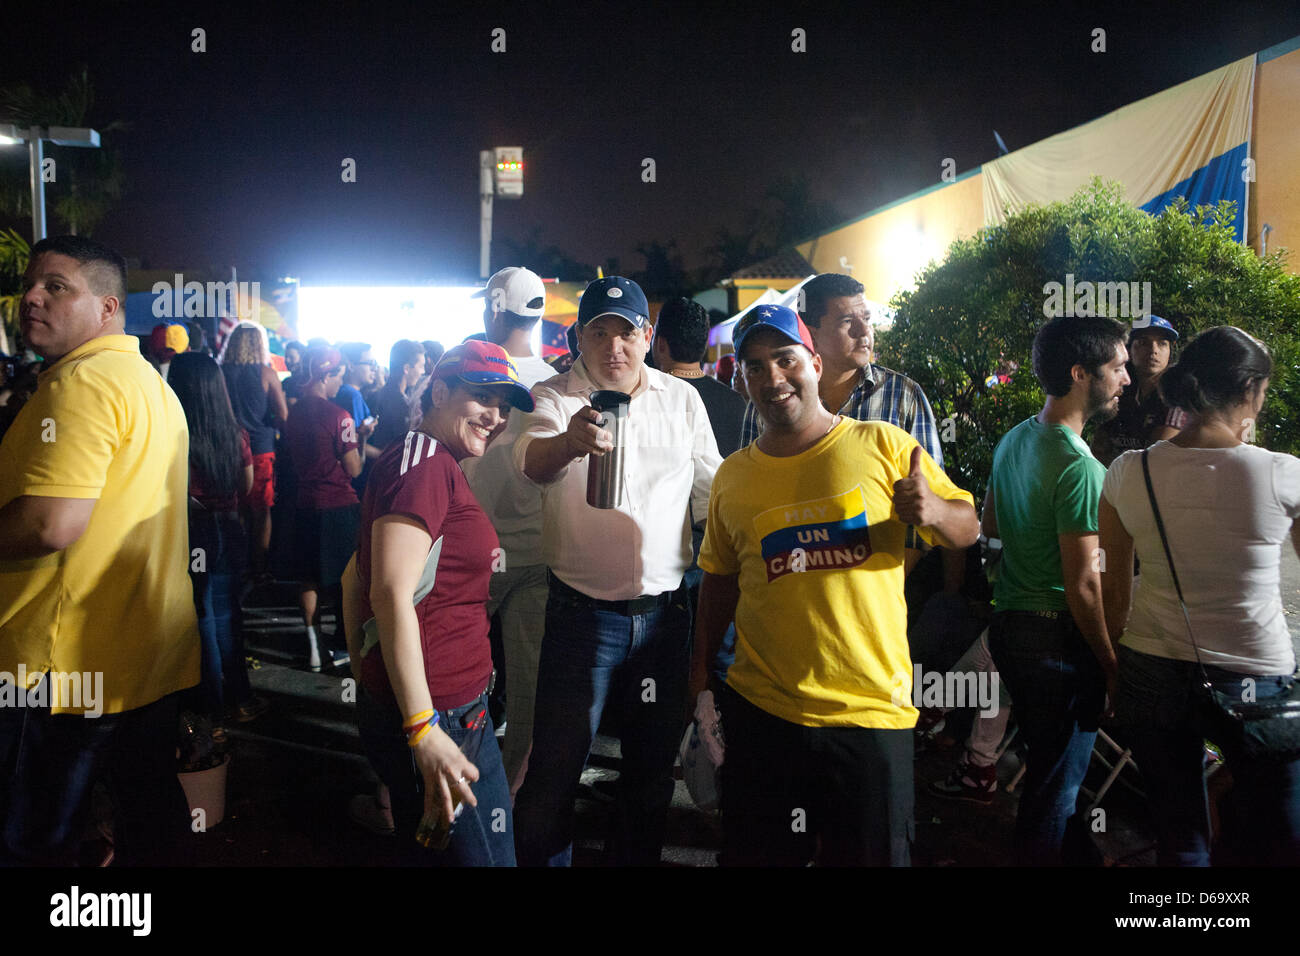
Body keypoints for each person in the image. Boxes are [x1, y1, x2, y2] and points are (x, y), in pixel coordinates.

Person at [690, 305, 979, 865]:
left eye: (785, 359)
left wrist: (934, 509)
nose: (772, 379)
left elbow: (967, 530)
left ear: (815, 363)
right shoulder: (734, 476)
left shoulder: (883, 445)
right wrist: (701, 673)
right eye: (754, 367)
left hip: (868, 715)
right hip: (763, 712)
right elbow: (720, 581)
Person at [0, 236, 199, 865]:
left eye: (58, 287)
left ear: (108, 307)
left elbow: (52, 522)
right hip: (140, 660)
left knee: (35, 838)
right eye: (32, 285)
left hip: (59, 670)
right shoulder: (147, 383)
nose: (33, 297)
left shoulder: (80, 385)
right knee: (149, 823)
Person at [512, 276, 721, 866]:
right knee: (555, 769)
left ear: (647, 336)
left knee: (652, 773)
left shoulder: (682, 400)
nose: (613, 347)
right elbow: (532, 463)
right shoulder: (554, 396)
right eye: (598, 333)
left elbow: (714, 494)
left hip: (664, 621)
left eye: (625, 332)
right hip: (582, 620)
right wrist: (572, 442)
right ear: (578, 337)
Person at [1100, 326, 1300, 866]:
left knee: (1179, 834)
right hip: (1255, 674)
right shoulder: (1284, 475)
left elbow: (1114, 590)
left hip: (1151, 666)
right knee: (1277, 834)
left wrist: (1116, 667)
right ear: (1251, 390)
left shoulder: (1127, 471)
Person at [349, 341, 534, 865]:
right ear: (439, 391)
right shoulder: (425, 465)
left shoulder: (427, 459)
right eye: (481, 397)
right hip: (443, 713)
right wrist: (420, 726)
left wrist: (373, 683)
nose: (495, 416)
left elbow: (351, 580)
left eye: (502, 405)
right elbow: (386, 590)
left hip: (441, 708)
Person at [983, 315, 1129, 865]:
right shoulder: (1081, 468)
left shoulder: (1015, 439)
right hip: (1057, 645)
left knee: (1047, 772)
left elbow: (992, 528)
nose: (1126, 379)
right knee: (1057, 788)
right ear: (1080, 373)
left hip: (1012, 630)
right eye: (1117, 367)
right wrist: (1112, 665)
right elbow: (1083, 586)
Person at [461, 267, 555, 797]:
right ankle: (508, 805)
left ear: (496, 307)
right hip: (539, 554)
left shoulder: (466, 371)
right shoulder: (555, 380)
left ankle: (439, 793)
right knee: (529, 696)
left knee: (448, 679)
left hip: (473, 557)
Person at [168, 352, 268, 730]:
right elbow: (246, 486)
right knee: (228, 615)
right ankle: (241, 698)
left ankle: (209, 706)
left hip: (195, 533)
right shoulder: (235, 432)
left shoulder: (175, 433)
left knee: (203, 617)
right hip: (230, 529)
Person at [283, 346, 360, 672]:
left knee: (309, 578)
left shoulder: (295, 413)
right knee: (348, 578)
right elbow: (354, 469)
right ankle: (346, 645)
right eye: (337, 378)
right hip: (338, 505)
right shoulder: (339, 416)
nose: (338, 385)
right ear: (327, 375)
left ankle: (315, 648)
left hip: (305, 504)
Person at [221, 323, 288, 577]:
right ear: (259, 344)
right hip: (261, 447)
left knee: (235, 509)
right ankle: (259, 568)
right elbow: (283, 414)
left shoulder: (221, 372)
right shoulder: (266, 373)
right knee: (262, 511)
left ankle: (236, 564)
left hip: (229, 447)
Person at [1090, 315, 1186, 467]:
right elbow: (1098, 452)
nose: (1153, 350)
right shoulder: (1119, 392)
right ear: (1129, 348)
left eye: (1162, 343)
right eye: (1143, 342)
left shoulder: (1176, 396)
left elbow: (1154, 460)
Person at [368, 339, 427, 453]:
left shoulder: (375, 395)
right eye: (421, 366)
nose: (423, 372)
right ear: (406, 369)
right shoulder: (400, 405)